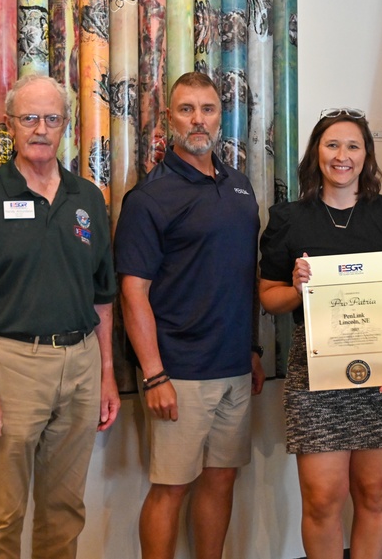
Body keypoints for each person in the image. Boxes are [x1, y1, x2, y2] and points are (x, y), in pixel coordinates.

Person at [0, 74, 119, 559]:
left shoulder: (88, 200)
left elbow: (103, 296)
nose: (41, 129)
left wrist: (105, 375)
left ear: (66, 126)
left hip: (81, 364)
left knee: (65, 511)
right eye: (29, 118)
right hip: (12, 366)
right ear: (11, 125)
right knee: (4, 515)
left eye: (52, 118)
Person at [259, 108, 382, 559]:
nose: (342, 156)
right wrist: (297, 290)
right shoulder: (289, 220)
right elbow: (268, 297)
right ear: (317, 154)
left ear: (366, 156)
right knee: (321, 498)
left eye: (353, 146)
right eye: (332, 145)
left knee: (375, 495)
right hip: (316, 375)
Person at [115, 71, 265, 559]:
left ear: (221, 117)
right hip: (178, 373)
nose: (198, 120)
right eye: (186, 109)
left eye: (208, 109)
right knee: (170, 488)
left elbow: (245, 274)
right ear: (168, 120)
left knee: (221, 482)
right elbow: (133, 292)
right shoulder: (148, 198)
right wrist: (154, 374)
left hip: (236, 369)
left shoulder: (241, 188)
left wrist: (254, 349)